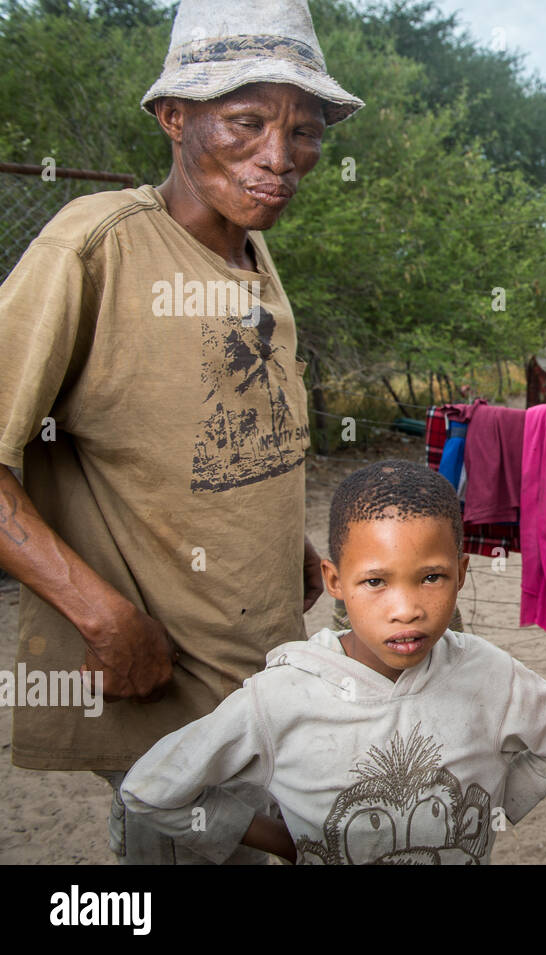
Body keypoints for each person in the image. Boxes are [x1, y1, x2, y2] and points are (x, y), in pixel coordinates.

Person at [0, 0, 363, 864]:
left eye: (304, 132)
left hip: (262, 677)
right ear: (173, 118)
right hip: (167, 693)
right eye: (245, 123)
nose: (279, 158)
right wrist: (101, 615)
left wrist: (287, 548)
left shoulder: (250, 249)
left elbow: (207, 432)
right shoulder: (94, 249)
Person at [121, 460, 546, 865]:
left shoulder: (489, 673)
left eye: (432, 576)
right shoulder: (280, 696)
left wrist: (491, 810)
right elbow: (153, 788)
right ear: (334, 580)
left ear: (463, 573)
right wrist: (287, 843)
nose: (406, 608)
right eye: (375, 582)